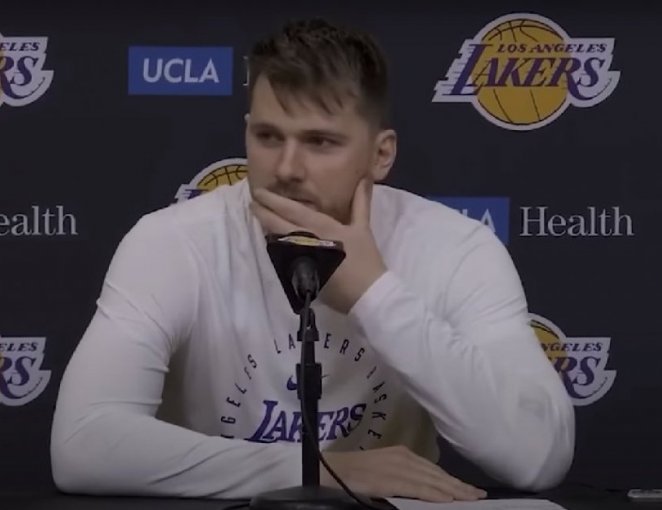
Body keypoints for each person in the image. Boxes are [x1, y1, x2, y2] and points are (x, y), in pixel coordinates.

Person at [50, 17, 575, 502]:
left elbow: (538, 456)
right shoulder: (173, 242)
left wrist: (374, 294)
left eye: (320, 142)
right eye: (267, 137)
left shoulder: (455, 248)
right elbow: (82, 444)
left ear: (380, 154)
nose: (286, 168)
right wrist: (315, 470)